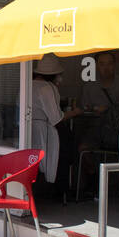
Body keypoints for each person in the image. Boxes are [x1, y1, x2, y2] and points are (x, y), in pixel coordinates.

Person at [31, 54, 81, 199]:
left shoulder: (28, 84)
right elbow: (56, 118)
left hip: (29, 129)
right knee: (63, 153)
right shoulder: (48, 88)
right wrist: (75, 112)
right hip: (45, 131)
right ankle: (62, 190)